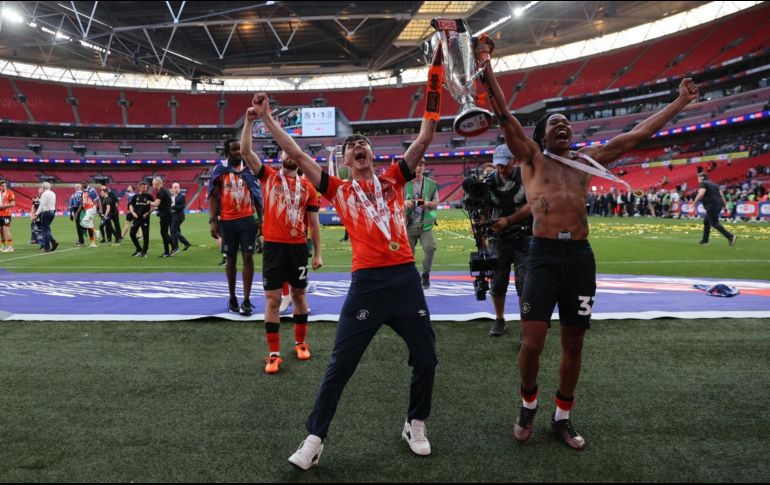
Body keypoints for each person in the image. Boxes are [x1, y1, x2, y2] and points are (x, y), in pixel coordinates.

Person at [478, 36, 699, 450]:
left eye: (567, 122)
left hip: (579, 257)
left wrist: (680, 102)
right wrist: (486, 64)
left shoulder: (586, 160)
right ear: (542, 135)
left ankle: (562, 414)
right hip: (542, 255)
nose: (563, 125)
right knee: (531, 341)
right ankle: (528, 404)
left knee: (574, 341)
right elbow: (504, 114)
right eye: (554, 123)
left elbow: (634, 136)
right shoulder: (530, 158)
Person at [252, 43, 442, 470]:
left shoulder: (395, 179)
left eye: (364, 143)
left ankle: (415, 421)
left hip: (405, 280)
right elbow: (298, 154)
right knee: (340, 366)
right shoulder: (337, 190)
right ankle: (315, 439)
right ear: (342, 160)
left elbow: (426, 134)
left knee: (427, 357)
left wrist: (436, 71)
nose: (358, 146)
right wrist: (265, 118)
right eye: (351, 145)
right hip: (368, 286)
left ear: (372, 155)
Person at [239, 114, 323, 374]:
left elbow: (314, 222)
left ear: (297, 158)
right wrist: (249, 122)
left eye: (292, 150)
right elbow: (245, 151)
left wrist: (317, 252)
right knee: (273, 300)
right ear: (280, 158)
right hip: (274, 247)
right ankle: (273, 353)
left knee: (299, 295)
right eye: (284, 150)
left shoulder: (309, 187)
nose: (288, 153)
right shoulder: (269, 177)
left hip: (298, 247)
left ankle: (300, 342)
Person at [208, 139, 260, 316]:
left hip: (247, 220)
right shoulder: (219, 170)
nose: (238, 151)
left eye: (240, 148)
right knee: (230, 259)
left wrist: (261, 219)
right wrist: (213, 220)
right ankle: (232, 297)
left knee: (248, 256)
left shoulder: (249, 168)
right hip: (227, 221)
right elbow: (214, 197)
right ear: (227, 152)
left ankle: (246, 300)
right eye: (234, 149)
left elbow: (257, 194)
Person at [484, 144, 532, 337]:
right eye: (498, 165)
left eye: (505, 165)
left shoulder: (526, 177)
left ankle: (525, 325)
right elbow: (484, 209)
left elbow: (532, 203)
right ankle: (499, 319)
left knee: (525, 283)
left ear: (515, 161)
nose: (501, 169)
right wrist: (485, 223)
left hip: (524, 236)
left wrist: (509, 221)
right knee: (497, 282)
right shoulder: (489, 181)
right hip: (498, 239)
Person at [404, 159, 439, 289]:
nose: (418, 168)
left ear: (424, 167)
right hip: (409, 224)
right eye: (416, 165)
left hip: (426, 223)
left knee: (430, 248)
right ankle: (411, 276)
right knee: (408, 254)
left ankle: (425, 274)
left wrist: (427, 204)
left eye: (420, 165)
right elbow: (396, 201)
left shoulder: (431, 184)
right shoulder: (404, 183)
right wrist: (404, 203)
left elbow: (436, 203)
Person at [693, 173, 737, 246]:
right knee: (706, 222)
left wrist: (694, 203)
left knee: (714, 223)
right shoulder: (714, 184)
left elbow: (701, 194)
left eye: (698, 178)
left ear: (702, 178)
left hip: (711, 205)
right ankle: (705, 240)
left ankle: (730, 237)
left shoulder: (703, 183)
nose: (698, 179)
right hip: (717, 204)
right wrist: (725, 205)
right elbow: (721, 195)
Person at [129, 181, 154, 257]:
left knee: (145, 235)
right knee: (132, 234)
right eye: (143, 187)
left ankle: (144, 251)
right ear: (139, 187)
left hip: (145, 219)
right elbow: (131, 205)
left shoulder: (149, 196)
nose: (145, 189)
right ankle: (139, 249)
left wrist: (148, 213)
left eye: (146, 187)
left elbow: (153, 206)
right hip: (136, 218)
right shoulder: (135, 197)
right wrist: (133, 213)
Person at [32, 182, 58, 252]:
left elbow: (41, 205)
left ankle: (47, 247)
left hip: (46, 212)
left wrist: (36, 215)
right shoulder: (53, 193)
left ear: (43, 187)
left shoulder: (44, 194)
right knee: (47, 229)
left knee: (44, 230)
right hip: (52, 212)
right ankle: (53, 242)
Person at [170, 183, 192, 252]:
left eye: (177, 187)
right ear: (172, 188)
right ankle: (184, 244)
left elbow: (182, 207)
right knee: (177, 231)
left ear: (179, 188)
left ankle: (177, 246)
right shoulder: (172, 196)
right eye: (174, 187)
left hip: (179, 216)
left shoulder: (181, 196)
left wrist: (173, 206)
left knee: (173, 230)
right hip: (173, 216)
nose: (176, 188)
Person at [79, 180, 100, 248]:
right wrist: (77, 213)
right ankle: (93, 243)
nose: (83, 184)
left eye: (84, 183)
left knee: (83, 222)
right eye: (82, 183)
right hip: (87, 209)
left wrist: (100, 210)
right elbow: (82, 203)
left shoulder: (91, 189)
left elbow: (97, 199)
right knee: (90, 224)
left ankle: (96, 232)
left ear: (87, 183)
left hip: (91, 208)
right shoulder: (83, 192)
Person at [0, 180, 16, 252]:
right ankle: (3, 245)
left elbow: (13, 204)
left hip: (6, 214)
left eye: (5, 186)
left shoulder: (10, 193)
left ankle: (10, 246)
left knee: (6, 229)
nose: (4, 187)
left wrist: (2, 206)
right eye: (2, 186)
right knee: (1, 230)